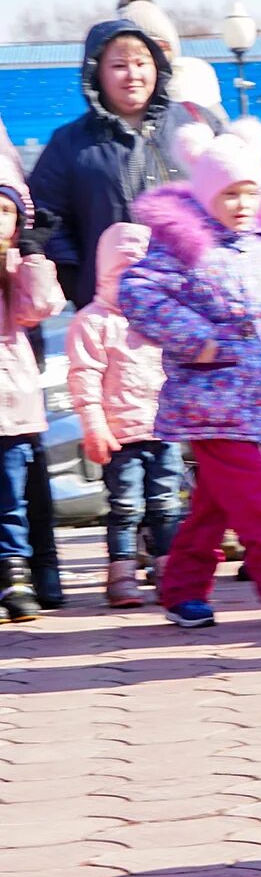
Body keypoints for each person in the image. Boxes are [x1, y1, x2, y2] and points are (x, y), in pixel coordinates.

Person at [120, 120, 261, 629]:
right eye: (230, 194)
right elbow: (137, 292)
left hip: (251, 390)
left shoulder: (259, 246)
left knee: (215, 504)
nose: (242, 205)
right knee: (257, 496)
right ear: (208, 194)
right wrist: (198, 338)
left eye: (250, 193)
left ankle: (182, 591)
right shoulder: (182, 246)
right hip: (205, 394)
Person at [30, 19, 206, 307]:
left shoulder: (194, 122)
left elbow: (231, 190)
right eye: (118, 66)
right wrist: (80, 282)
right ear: (96, 73)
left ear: (157, 67)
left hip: (199, 301)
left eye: (141, 63)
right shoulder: (69, 145)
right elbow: (47, 221)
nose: (132, 75)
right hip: (116, 312)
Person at [67, 223, 179, 609]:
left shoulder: (162, 319)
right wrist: (94, 427)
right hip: (122, 435)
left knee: (166, 504)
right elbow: (84, 377)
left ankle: (169, 572)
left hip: (165, 430)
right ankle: (121, 574)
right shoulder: (93, 321)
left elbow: (181, 370)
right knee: (125, 506)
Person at [0, 146, 65, 624]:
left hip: (11, 409)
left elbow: (40, 307)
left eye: (5, 211)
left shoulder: (15, 270)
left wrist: (34, 253)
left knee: (11, 500)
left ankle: (15, 577)